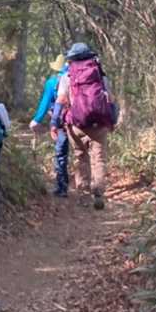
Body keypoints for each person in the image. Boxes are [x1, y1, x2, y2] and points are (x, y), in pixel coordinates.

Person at [57, 41, 116, 211]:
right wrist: (111, 119)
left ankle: (83, 195)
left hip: (76, 125)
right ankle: (98, 192)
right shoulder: (100, 75)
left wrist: (57, 120)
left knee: (80, 156)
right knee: (99, 158)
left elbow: (61, 99)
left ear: (72, 59)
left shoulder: (67, 76)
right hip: (99, 124)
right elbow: (110, 99)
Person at [29, 55, 70, 198]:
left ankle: (62, 187)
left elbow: (45, 102)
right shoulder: (77, 79)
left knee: (61, 152)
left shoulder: (52, 82)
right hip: (82, 121)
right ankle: (89, 188)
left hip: (62, 122)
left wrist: (36, 120)